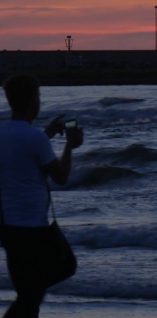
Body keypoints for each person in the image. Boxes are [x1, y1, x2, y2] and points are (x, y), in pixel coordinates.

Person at [0, 74, 83, 318]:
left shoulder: (5, 134)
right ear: (31, 101)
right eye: (38, 96)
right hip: (33, 228)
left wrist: (46, 133)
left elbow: (19, 152)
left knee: (29, 295)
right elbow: (60, 177)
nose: (40, 101)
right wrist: (69, 146)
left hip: (7, 227)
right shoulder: (34, 138)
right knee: (42, 286)